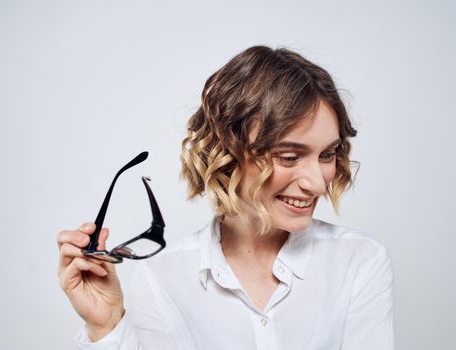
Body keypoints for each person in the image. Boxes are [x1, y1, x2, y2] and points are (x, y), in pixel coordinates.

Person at [57, 46, 395, 349]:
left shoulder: (359, 262)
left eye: (327, 155)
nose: (318, 184)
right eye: (289, 157)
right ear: (227, 153)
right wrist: (105, 326)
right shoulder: (162, 277)